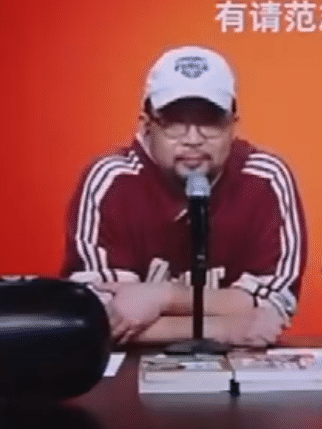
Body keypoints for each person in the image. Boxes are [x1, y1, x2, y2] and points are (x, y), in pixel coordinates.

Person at [61, 46, 307, 348]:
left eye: (210, 122)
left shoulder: (265, 178)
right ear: (146, 125)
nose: (192, 139)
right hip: (131, 371)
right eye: (174, 123)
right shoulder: (111, 181)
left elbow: (270, 312)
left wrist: (162, 296)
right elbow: (100, 320)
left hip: (239, 369)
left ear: (233, 125)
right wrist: (221, 326)